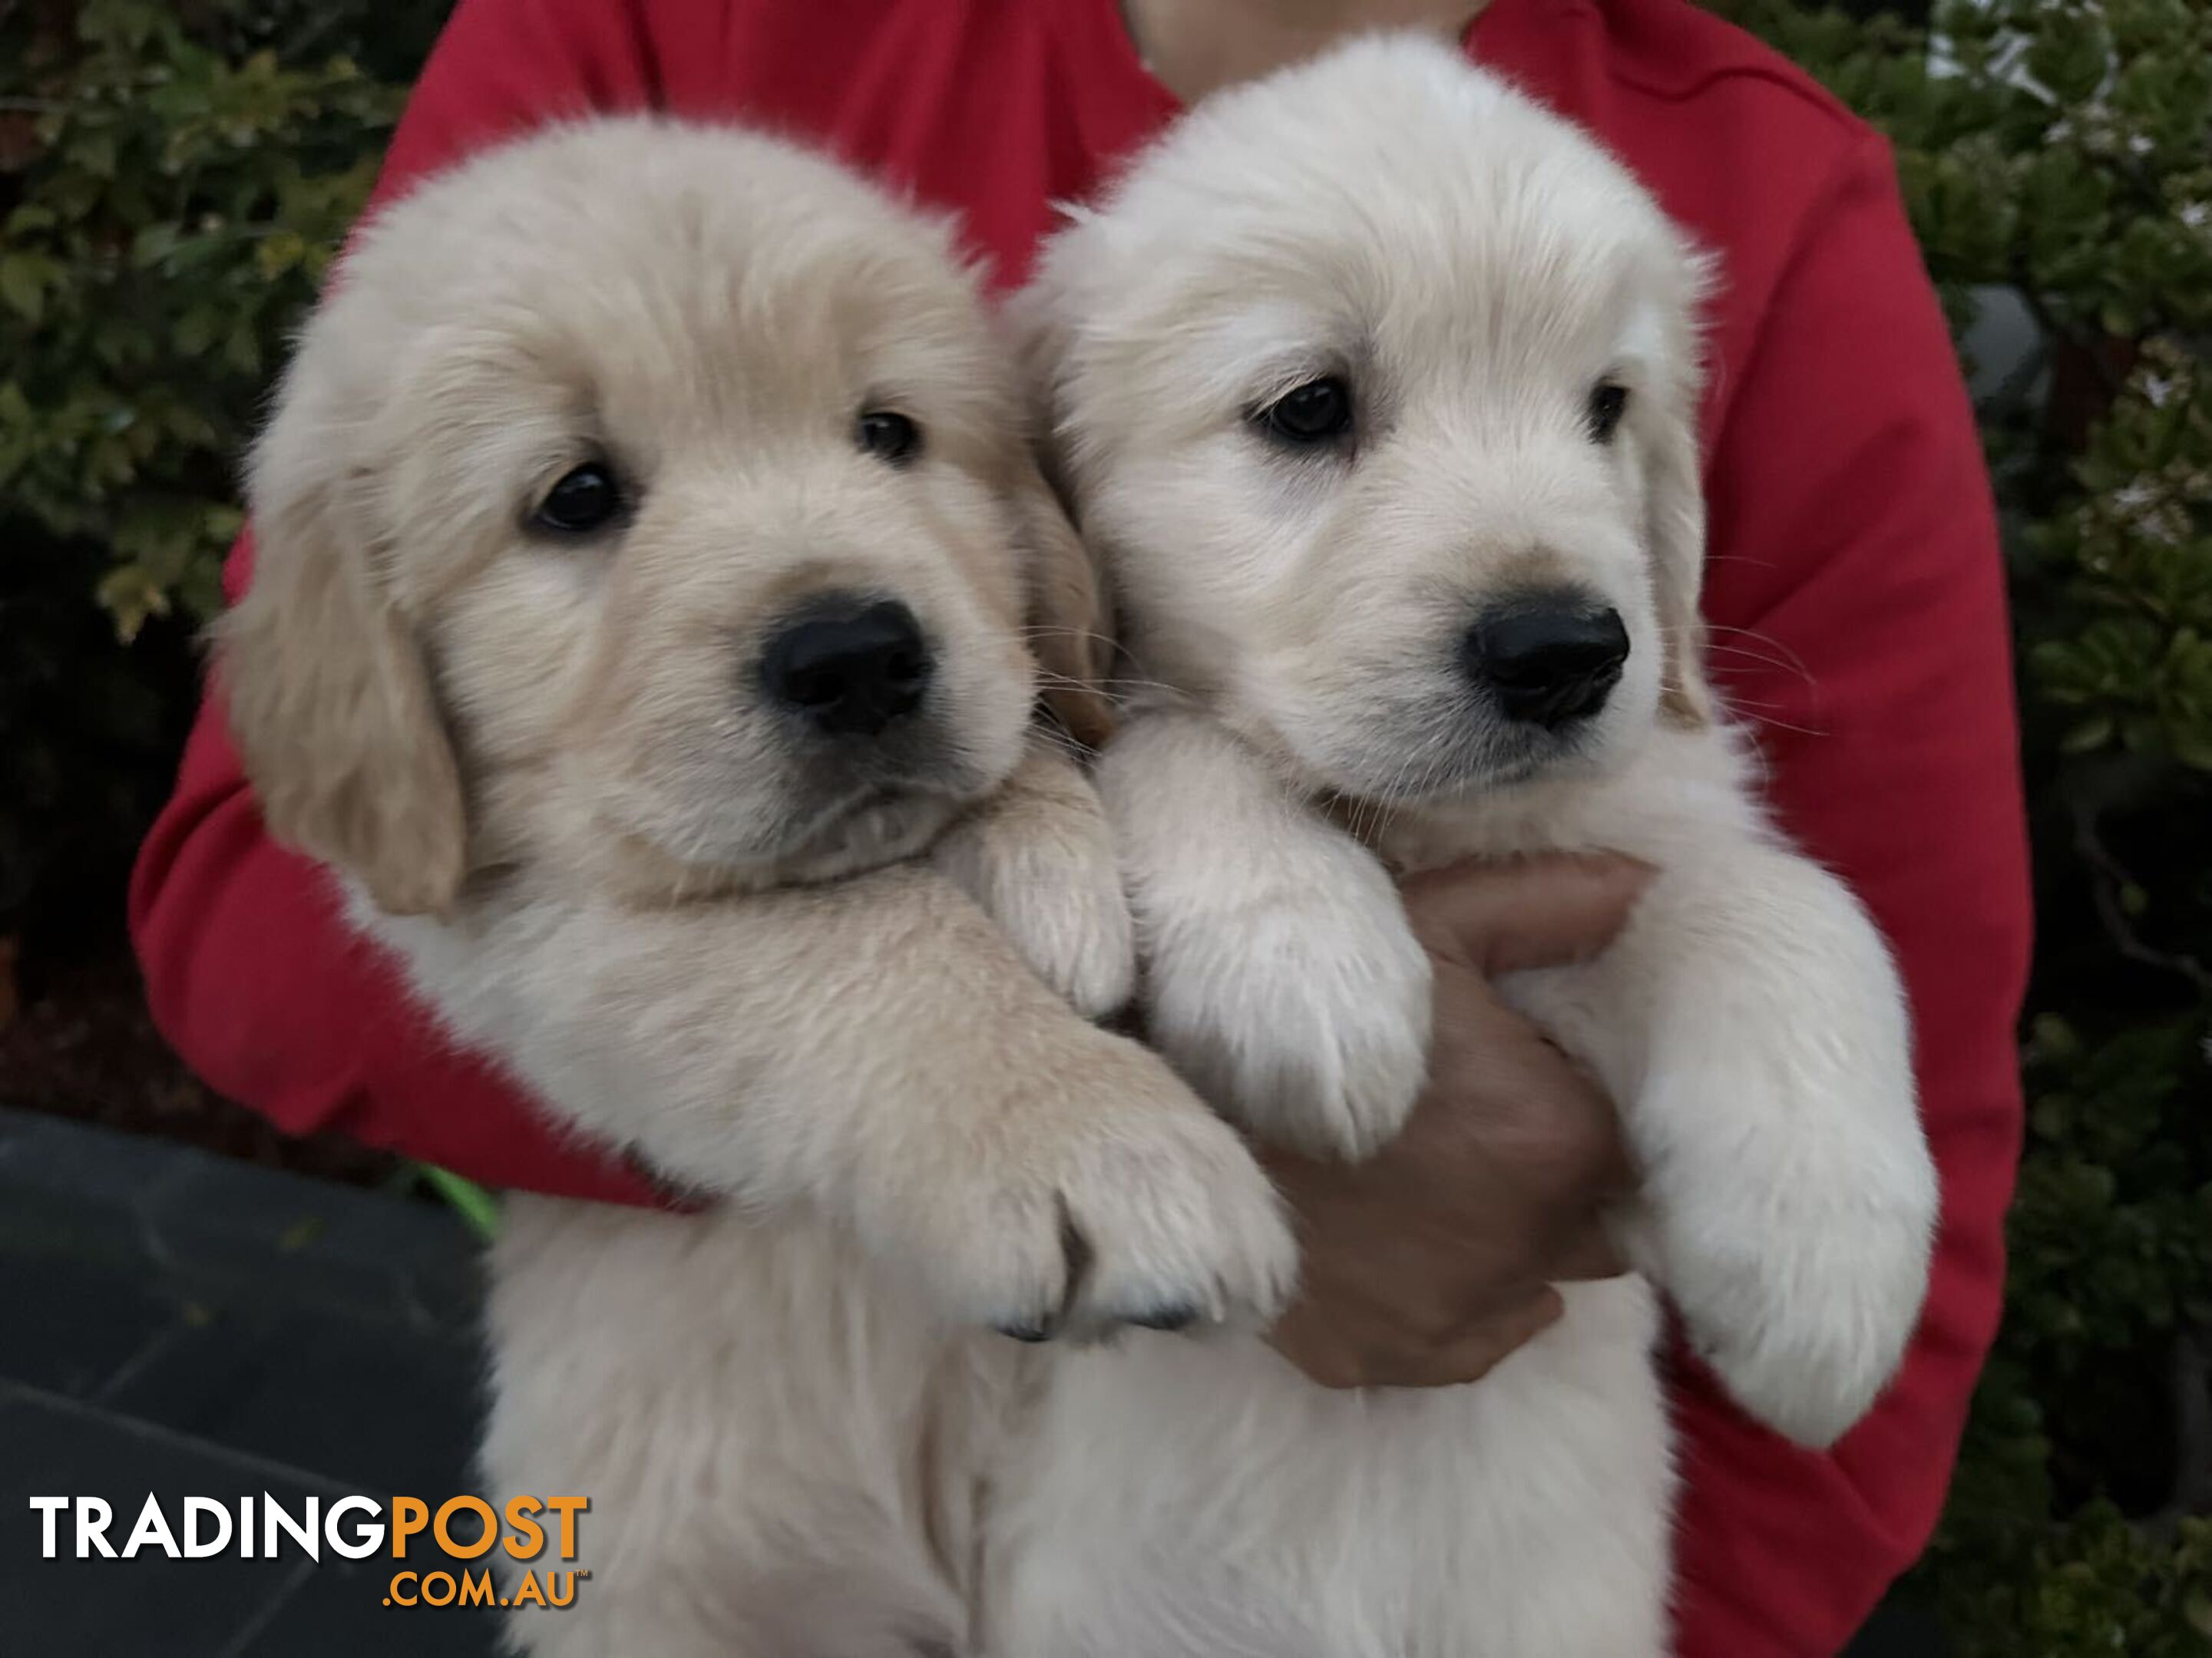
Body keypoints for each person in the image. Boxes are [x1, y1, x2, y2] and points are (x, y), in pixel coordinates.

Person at [127, 0, 2032, 1650]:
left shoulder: (1765, 200)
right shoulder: (658, 32)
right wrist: (1059, 1096)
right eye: (1304, 409)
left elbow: (1882, 1188)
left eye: (893, 441)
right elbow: (269, 890)